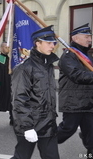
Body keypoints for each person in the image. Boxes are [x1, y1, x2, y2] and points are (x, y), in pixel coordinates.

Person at [10, 26, 60, 159]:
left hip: (48, 124)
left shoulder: (48, 65)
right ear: (38, 43)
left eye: (53, 42)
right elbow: (19, 99)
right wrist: (27, 127)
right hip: (30, 124)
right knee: (21, 157)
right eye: (49, 43)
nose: (53, 46)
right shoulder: (24, 68)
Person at [57, 23, 93, 158]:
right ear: (75, 38)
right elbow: (77, 75)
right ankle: (46, 142)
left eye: (90, 37)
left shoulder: (88, 56)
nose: (90, 39)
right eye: (87, 36)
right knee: (67, 129)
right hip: (73, 102)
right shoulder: (69, 56)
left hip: (89, 102)